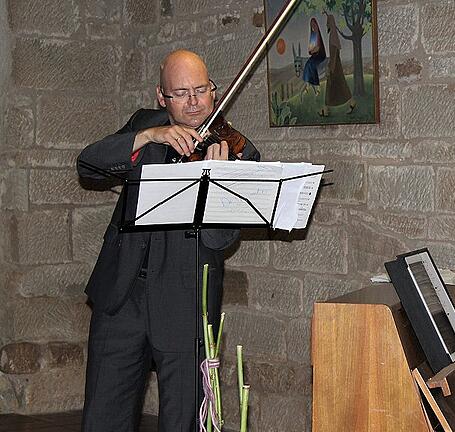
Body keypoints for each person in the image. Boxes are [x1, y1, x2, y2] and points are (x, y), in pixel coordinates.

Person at [77, 49, 260, 431]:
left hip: (185, 302)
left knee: (183, 420)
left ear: (214, 90)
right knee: (103, 417)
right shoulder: (144, 124)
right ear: (162, 97)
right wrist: (147, 136)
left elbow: (221, 239)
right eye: (181, 93)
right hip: (122, 295)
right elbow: (88, 165)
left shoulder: (239, 152)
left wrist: (219, 183)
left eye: (201, 90)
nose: (194, 103)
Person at [318, 13, 355, 116]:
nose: (327, 25)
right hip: (335, 65)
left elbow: (334, 53)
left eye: (328, 23)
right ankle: (350, 103)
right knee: (340, 85)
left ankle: (326, 110)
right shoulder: (333, 34)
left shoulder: (333, 36)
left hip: (334, 65)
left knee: (333, 86)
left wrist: (331, 67)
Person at [300, 17, 326, 96]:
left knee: (312, 65)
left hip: (320, 55)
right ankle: (307, 86)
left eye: (314, 25)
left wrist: (312, 50)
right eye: (311, 25)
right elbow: (310, 49)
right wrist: (312, 50)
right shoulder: (313, 36)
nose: (313, 27)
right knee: (307, 64)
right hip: (314, 55)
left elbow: (317, 48)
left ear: (316, 25)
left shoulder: (318, 35)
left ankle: (318, 87)